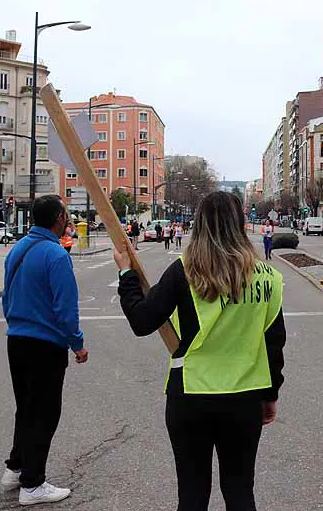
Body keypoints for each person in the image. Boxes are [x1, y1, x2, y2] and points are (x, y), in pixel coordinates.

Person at [114, 191, 286, 511]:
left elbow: (142, 321)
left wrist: (127, 275)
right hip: (245, 397)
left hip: (191, 396)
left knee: (192, 494)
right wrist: (270, 394)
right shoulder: (269, 278)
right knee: (239, 491)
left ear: (200, 224)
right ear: (240, 223)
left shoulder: (184, 270)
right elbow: (274, 345)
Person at [0, 195, 88, 506]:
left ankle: (16, 467)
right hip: (45, 345)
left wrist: (15, 321)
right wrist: (76, 343)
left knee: (26, 408)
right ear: (58, 219)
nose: (68, 218)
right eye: (65, 214)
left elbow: (6, 295)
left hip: (17, 340)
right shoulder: (56, 254)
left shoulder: (18, 249)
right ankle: (33, 484)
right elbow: (65, 308)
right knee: (45, 413)